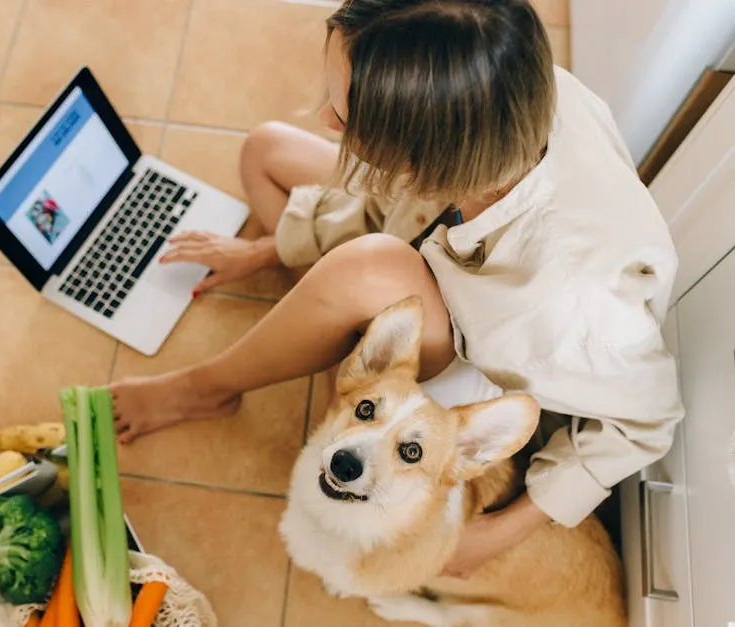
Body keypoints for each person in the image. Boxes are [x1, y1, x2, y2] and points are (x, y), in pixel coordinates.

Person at [110, 0, 684, 577]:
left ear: (419, 156)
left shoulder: (573, 310)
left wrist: (494, 533)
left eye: (345, 114)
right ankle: (327, 309)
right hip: (423, 246)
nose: (324, 119)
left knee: (369, 267)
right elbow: (413, 209)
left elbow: (648, 422)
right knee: (265, 151)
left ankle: (207, 387)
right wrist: (270, 248)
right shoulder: (502, 92)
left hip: (473, 346)